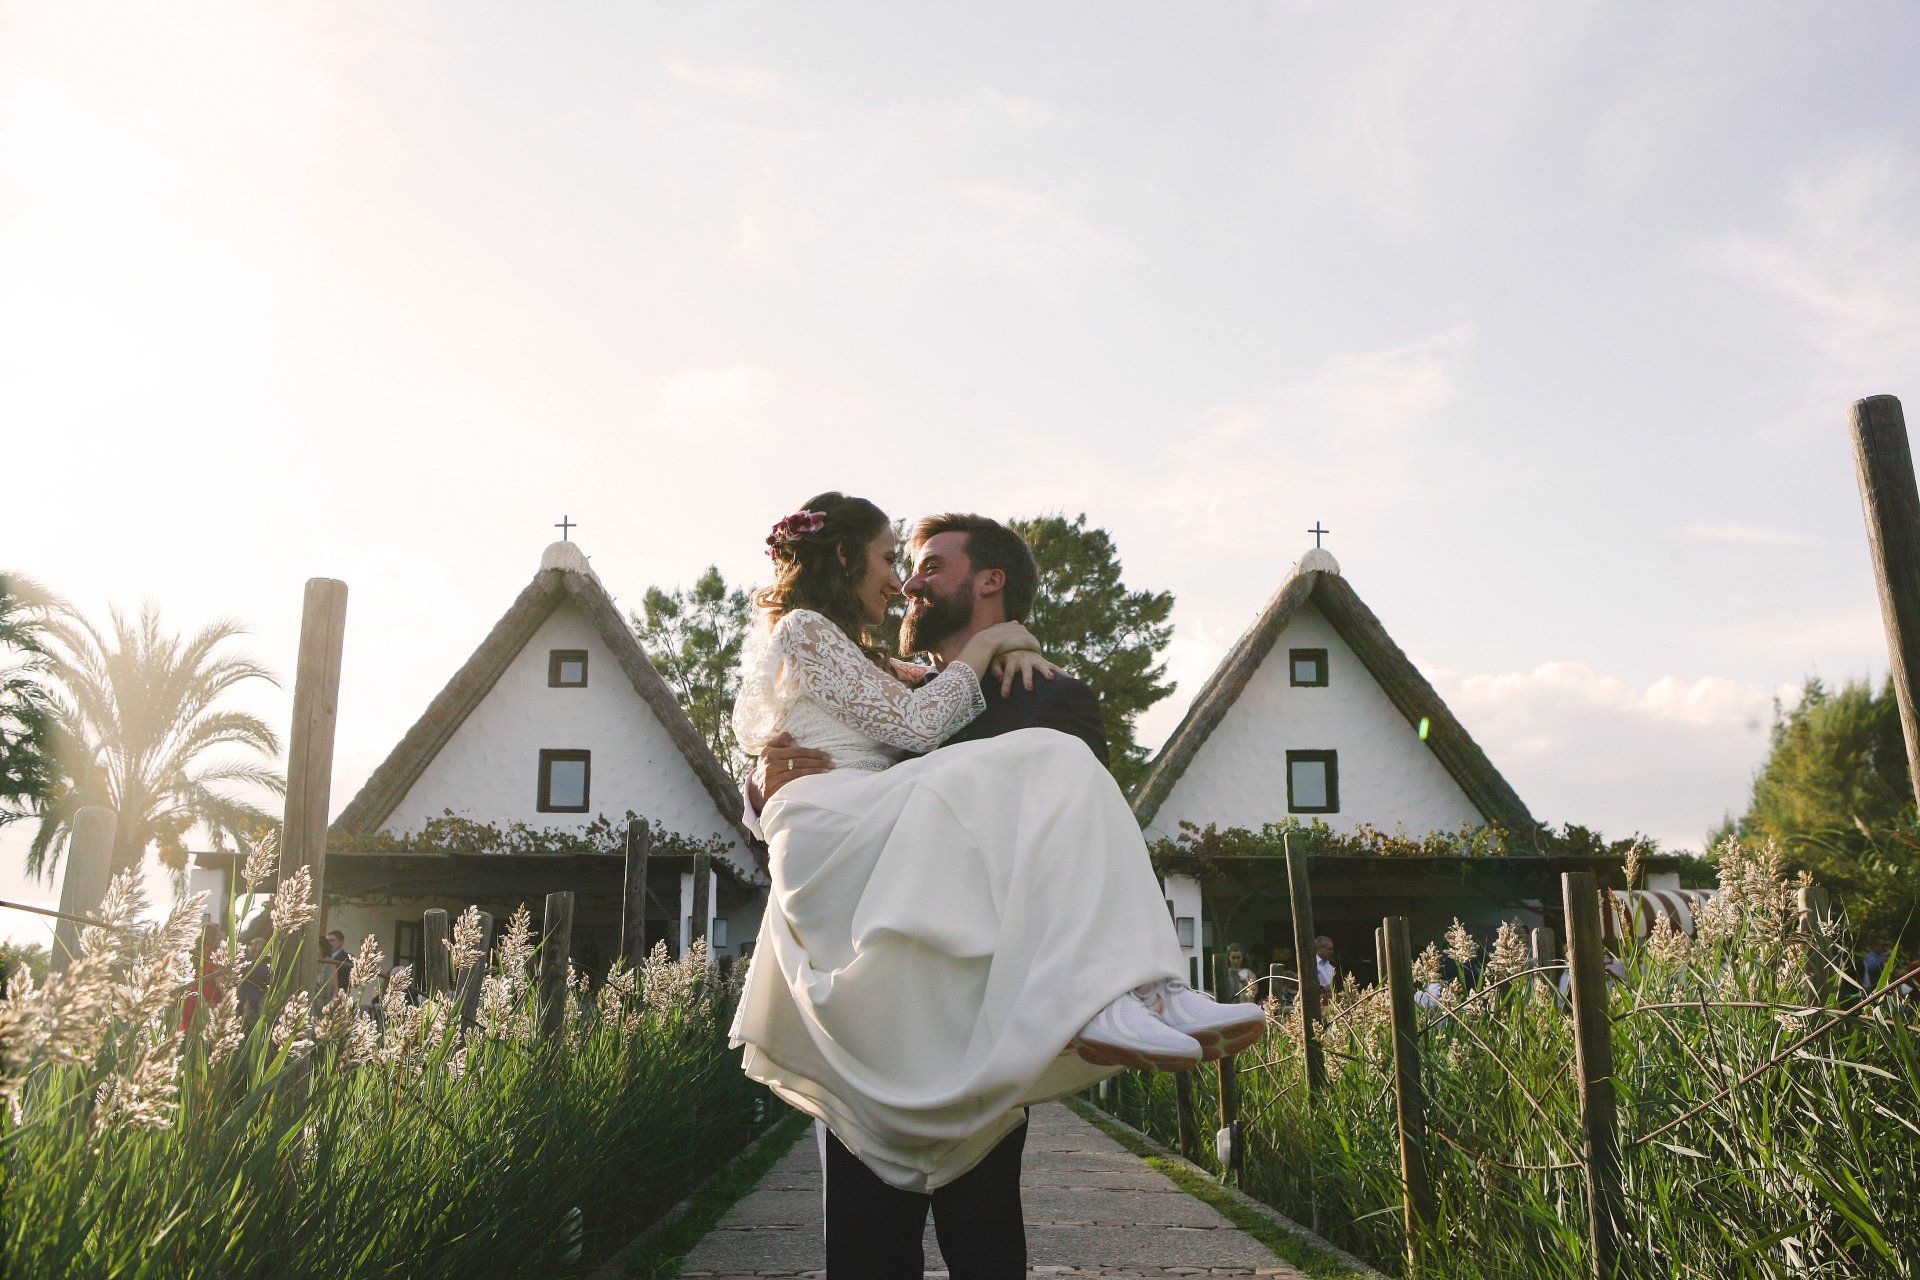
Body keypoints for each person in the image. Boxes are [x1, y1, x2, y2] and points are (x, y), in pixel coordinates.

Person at [731, 497, 1265, 1277]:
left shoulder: (1043, 695)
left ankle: (1136, 989)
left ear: (989, 581)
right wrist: (762, 788)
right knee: (864, 1244)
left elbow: (1073, 843)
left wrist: (1002, 649)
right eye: (897, 562)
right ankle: (1136, 991)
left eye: (926, 566)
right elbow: (842, 735)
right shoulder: (853, 658)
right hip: (865, 971)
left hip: (970, 990)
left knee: (983, 1241)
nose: (908, 583)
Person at [179, 921, 225, 1033]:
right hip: (207, 1004)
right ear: (212, 937)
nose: (222, 936)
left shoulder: (192, 954)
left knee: (186, 1038)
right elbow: (222, 985)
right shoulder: (214, 955)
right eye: (218, 934)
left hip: (188, 1002)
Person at [322, 929, 352, 994]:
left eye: (332, 941)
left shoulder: (346, 958)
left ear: (340, 942)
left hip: (338, 994)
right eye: (327, 941)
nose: (329, 943)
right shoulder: (324, 957)